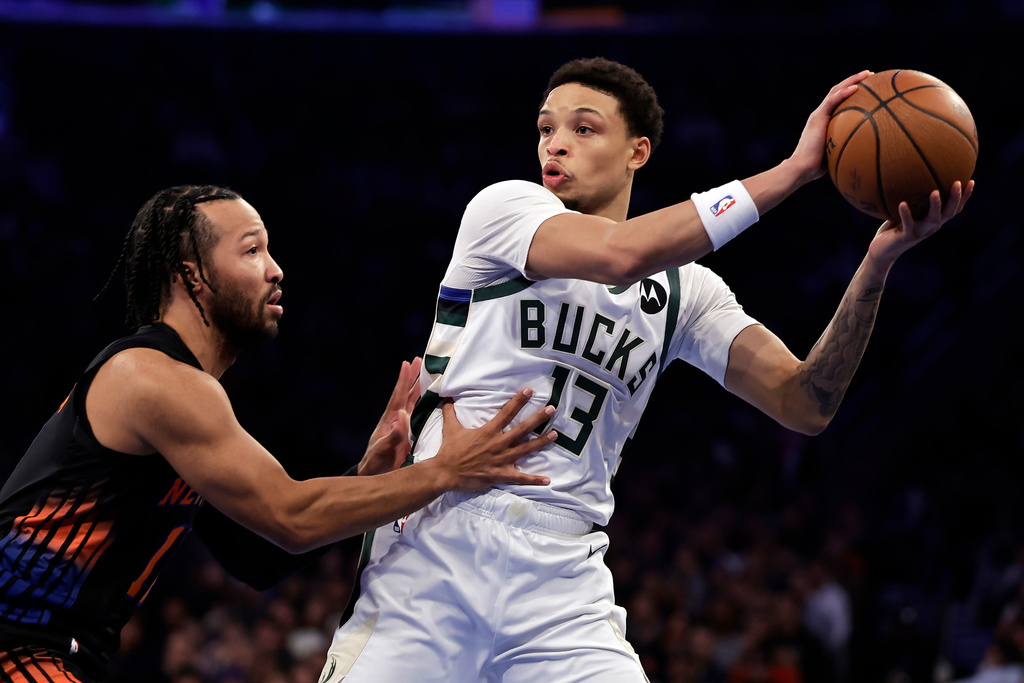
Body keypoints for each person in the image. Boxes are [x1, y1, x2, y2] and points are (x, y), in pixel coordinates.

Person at [319, 58, 974, 682]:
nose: (556, 143)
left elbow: (804, 402)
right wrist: (796, 170)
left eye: (583, 127)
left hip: (563, 575)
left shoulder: (687, 293)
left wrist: (877, 264)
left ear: (638, 150)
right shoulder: (503, 212)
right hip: (440, 539)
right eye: (546, 127)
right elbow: (620, 254)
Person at [0, 185, 558, 682]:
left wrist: (366, 475)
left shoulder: (185, 399)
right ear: (193, 275)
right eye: (251, 250)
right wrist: (443, 471)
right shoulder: (153, 378)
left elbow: (259, 554)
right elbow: (290, 517)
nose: (275, 268)